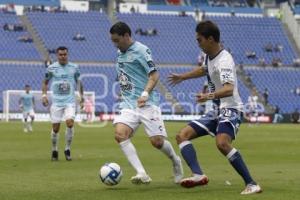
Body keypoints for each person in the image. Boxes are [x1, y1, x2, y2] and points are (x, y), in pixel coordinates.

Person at [168, 20, 261, 194]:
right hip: (217, 110)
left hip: (231, 108)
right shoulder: (209, 56)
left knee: (222, 143)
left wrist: (207, 96)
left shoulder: (224, 60)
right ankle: (198, 175)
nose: (198, 43)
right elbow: (204, 70)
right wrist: (183, 77)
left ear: (210, 39)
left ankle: (252, 184)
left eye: (199, 39)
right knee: (182, 136)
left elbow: (228, 89)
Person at [109, 22, 183, 184]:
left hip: (147, 102)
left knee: (157, 142)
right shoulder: (120, 53)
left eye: (117, 40)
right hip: (129, 104)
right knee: (120, 134)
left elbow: (154, 75)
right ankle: (142, 173)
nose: (115, 44)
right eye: (113, 41)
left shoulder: (141, 50)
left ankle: (176, 161)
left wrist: (144, 93)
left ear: (126, 36)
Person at [42, 46, 84, 161]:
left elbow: (79, 82)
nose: (63, 56)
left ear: (67, 54)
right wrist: (44, 95)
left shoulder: (74, 68)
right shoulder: (51, 68)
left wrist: (82, 97)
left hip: (69, 101)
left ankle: (67, 149)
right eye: (60, 55)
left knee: (70, 123)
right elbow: (45, 82)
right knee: (55, 129)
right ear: (57, 55)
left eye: (65, 54)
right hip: (56, 102)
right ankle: (54, 150)